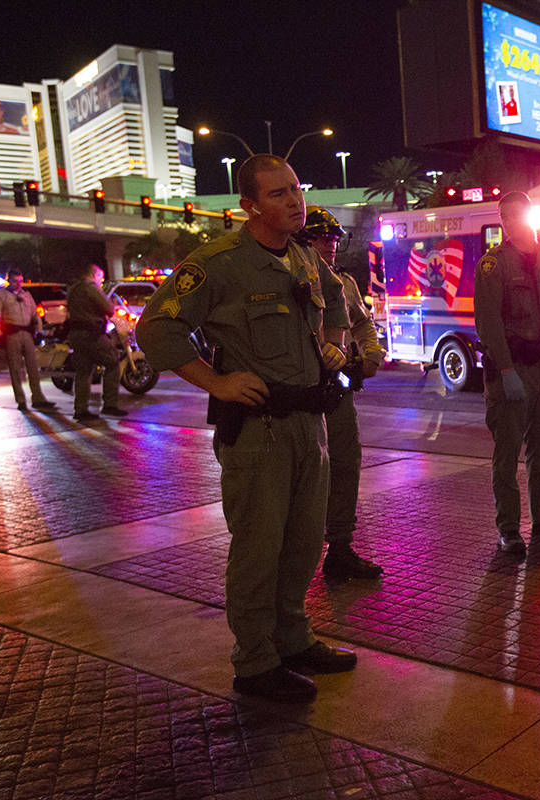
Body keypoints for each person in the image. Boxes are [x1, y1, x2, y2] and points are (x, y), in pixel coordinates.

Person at [137, 154, 357, 704]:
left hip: (311, 424)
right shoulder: (220, 263)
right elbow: (156, 328)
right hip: (260, 433)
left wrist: (339, 345)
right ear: (249, 205)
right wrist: (216, 381)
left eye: (296, 189)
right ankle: (255, 663)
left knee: (304, 543)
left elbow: (335, 301)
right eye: (279, 193)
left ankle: (292, 637)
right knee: (260, 549)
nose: (294, 201)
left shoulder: (304, 255)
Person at [474, 191, 540, 557]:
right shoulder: (493, 265)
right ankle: (509, 530)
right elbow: (488, 324)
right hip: (513, 369)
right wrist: (506, 370)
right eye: (503, 215)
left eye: (515, 213)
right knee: (506, 456)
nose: (508, 220)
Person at [294, 206, 385, 581]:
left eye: (334, 237)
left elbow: (362, 323)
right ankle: (299, 558)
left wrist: (371, 353)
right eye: (321, 237)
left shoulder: (343, 283)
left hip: (338, 392)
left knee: (346, 466)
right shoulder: (290, 279)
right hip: (301, 397)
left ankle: (340, 548)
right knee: (306, 478)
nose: (330, 245)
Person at [65, 263, 124, 421]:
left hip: (75, 335)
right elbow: (109, 308)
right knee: (112, 363)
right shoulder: (91, 288)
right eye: (101, 277)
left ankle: (80, 409)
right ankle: (110, 404)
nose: (101, 280)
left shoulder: (73, 289)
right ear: (94, 275)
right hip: (92, 334)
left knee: (83, 372)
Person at [0, 268, 54, 412]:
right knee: (15, 368)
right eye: (15, 281)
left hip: (27, 333)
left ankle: (38, 398)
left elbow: (34, 313)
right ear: (9, 280)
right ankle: (21, 400)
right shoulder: (2, 295)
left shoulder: (26, 294)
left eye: (20, 281)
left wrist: (39, 330)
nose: (18, 284)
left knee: (33, 367)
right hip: (12, 334)